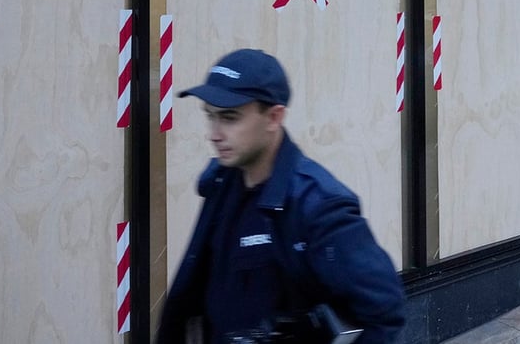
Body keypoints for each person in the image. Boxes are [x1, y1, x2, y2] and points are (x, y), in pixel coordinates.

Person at [155, 49, 406, 344]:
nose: (214, 133)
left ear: (274, 117)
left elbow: (385, 313)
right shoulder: (220, 183)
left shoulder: (318, 205)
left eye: (229, 118)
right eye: (210, 116)